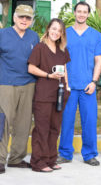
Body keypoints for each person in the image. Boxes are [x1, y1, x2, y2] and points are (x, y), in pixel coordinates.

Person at [0, 5, 39, 174]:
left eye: (28, 18)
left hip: (29, 84)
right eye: (21, 17)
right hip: (7, 84)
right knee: (3, 123)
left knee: (23, 124)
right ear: (14, 18)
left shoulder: (34, 37)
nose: (24, 20)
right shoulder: (2, 35)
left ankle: (16, 159)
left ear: (31, 21)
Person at [57, 1, 101, 166]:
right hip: (69, 86)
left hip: (87, 87)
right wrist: (64, 82)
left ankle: (90, 154)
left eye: (85, 12)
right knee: (67, 121)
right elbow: (60, 59)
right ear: (74, 12)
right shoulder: (65, 33)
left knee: (90, 121)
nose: (82, 14)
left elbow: (99, 60)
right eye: (79, 11)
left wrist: (94, 82)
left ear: (88, 14)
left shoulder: (95, 35)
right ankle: (64, 153)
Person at [28, 18, 70, 172]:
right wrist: (48, 75)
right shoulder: (40, 48)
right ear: (48, 29)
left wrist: (68, 87)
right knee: (42, 128)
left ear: (62, 34)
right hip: (44, 94)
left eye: (59, 30)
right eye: (53, 29)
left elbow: (65, 69)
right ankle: (38, 162)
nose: (55, 32)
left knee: (54, 128)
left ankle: (51, 159)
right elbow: (31, 69)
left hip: (60, 93)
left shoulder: (62, 50)